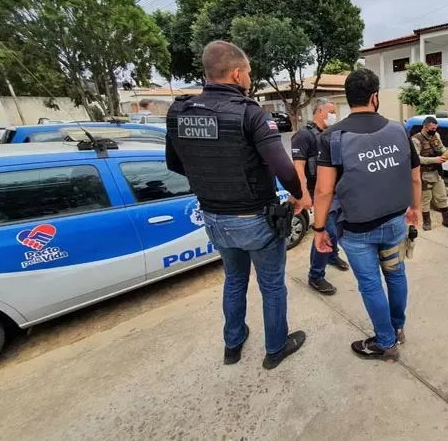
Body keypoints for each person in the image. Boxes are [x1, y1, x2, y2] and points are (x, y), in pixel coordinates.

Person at [165, 41, 311, 369]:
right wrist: (300, 195)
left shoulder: (179, 112)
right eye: (247, 73)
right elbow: (284, 169)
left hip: (214, 218)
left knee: (234, 280)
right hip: (255, 219)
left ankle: (233, 344)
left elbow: (175, 165)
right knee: (272, 285)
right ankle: (275, 348)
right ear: (235, 73)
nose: (248, 78)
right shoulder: (250, 113)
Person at [313, 68, 422, 362]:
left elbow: (323, 191)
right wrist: (416, 209)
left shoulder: (332, 137)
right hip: (395, 222)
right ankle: (397, 329)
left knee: (371, 284)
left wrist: (319, 229)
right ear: (375, 97)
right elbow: (414, 177)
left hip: (358, 231)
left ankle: (386, 343)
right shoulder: (399, 129)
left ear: (349, 100)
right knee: (396, 274)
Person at [291, 98, 350, 296]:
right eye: (332, 111)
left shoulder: (332, 135)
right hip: (317, 192)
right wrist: (302, 194)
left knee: (337, 230)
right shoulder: (303, 136)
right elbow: (298, 169)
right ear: (319, 112)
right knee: (327, 231)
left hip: (336, 191)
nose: (335, 116)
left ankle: (332, 255)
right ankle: (315, 275)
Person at [411, 117, 448, 231]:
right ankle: (427, 222)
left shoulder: (435, 135)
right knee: (426, 199)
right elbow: (417, 159)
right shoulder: (416, 140)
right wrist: (435, 159)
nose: (434, 130)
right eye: (432, 128)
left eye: (435, 128)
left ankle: (447, 220)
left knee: (442, 196)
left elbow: (440, 147)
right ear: (425, 126)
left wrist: (446, 153)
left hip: (436, 172)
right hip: (424, 174)